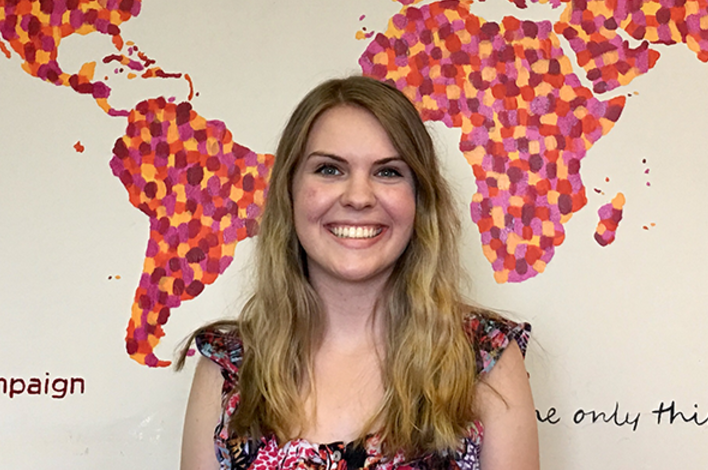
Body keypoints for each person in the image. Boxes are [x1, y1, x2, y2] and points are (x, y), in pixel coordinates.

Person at [178, 76, 539, 470]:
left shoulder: (484, 361)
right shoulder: (230, 371)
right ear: (290, 191)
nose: (358, 197)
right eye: (330, 169)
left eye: (388, 172)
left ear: (420, 199)